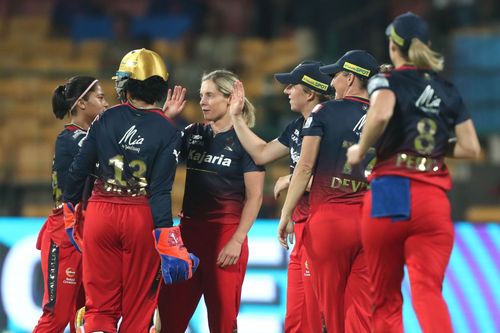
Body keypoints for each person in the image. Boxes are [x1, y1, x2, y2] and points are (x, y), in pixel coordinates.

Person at [346, 12, 481, 333]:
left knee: (385, 298)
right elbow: (472, 148)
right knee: (428, 292)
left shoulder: (385, 80)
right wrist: (431, 146)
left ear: (393, 46)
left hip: (391, 189)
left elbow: (379, 114)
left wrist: (361, 148)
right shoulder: (448, 89)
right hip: (433, 197)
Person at [62, 48, 198, 333]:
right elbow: (161, 192)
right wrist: (166, 237)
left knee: (99, 306)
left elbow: (78, 169)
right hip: (141, 215)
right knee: (139, 308)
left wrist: (70, 207)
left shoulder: (105, 119)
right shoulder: (168, 130)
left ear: (125, 83)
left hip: (100, 213)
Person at [278, 50, 380, 333]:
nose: (331, 82)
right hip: (371, 220)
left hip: (330, 220)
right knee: (360, 313)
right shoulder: (385, 116)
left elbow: (305, 166)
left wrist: (286, 213)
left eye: (335, 76)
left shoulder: (325, 111)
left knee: (331, 313)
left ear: (350, 78)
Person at [157, 69, 265, 333]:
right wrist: (165, 120)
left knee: (223, 324)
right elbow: (157, 157)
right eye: (201, 95)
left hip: (226, 236)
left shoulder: (245, 142)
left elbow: (255, 196)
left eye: (210, 95)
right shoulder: (193, 132)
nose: (202, 101)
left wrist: (238, 240)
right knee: (168, 318)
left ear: (230, 99)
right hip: (188, 234)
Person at [229, 61, 331, 333]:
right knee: (297, 320)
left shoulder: (332, 124)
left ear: (309, 93)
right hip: (302, 228)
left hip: (323, 227)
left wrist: (294, 178)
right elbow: (262, 153)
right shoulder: (297, 127)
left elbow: (342, 176)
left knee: (320, 316)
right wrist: (236, 118)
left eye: (292, 85)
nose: (286, 91)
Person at [33, 76, 109, 333]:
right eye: (100, 97)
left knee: (85, 316)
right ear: (81, 103)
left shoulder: (90, 138)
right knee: (57, 316)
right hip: (65, 233)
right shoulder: (71, 139)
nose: (106, 102)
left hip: (90, 232)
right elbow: (108, 157)